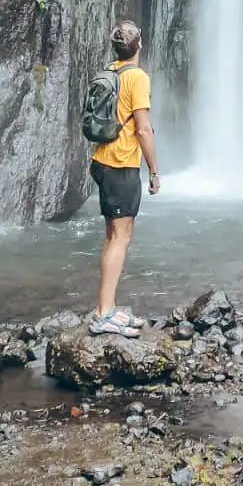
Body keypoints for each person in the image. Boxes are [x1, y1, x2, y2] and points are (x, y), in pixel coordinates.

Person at [88, 18, 160, 337]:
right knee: (121, 237)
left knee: (112, 235)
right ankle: (104, 314)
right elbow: (143, 129)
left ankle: (107, 306)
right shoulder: (137, 78)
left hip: (102, 161)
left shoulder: (110, 71)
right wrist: (154, 170)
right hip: (121, 166)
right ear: (139, 46)